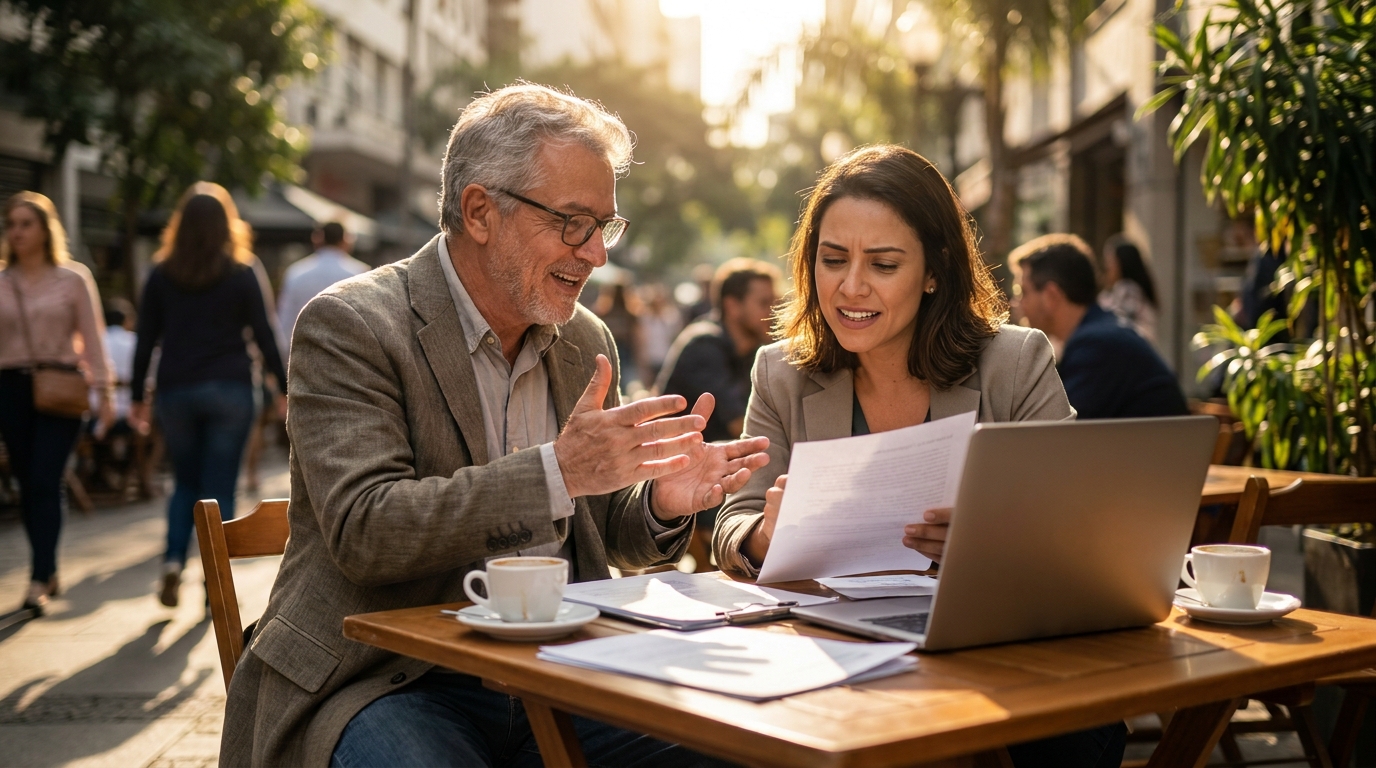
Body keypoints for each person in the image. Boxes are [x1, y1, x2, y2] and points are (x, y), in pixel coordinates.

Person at [220, 83, 769, 768]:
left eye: (606, 226)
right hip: (384, 679)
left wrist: (660, 502)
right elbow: (366, 531)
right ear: (480, 211)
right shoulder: (352, 324)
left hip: (562, 667)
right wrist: (556, 473)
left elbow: (612, 534)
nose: (596, 254)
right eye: (574, 222)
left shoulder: (584, 338)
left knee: (745, 742)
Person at [712, 146, 1123, 768]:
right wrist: (766, 536)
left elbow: (1082, 530)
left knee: (1080, 730)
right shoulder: (782, 371)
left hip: (992, 648)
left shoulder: (1014, 362)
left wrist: (988, 539)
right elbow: (732, 525)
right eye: (832, 260)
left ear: (934, 270)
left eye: (882, 264)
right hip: (833, 650)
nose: (851, 287)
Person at [128, 182, 288, 608]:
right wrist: (284, 389)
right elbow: (265, 333)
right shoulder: (242, 269)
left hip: (176, 389)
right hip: (231, 389)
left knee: (184, 483)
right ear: (226, 224)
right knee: (220, 487)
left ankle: (173, 561)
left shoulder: (161, 273)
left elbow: (145, 340)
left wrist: (136, 397)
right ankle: (212, 580)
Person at [0, 191, 114, 613]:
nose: (17, 231)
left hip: (60, 387)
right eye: (11, 223)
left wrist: (103, 391)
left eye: (26, 223)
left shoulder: (73, 278)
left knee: (47, 479)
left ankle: (37, 576)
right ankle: (45, 569)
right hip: (10, 387)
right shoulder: (2, 281)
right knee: (28, 484)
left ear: (45, 229)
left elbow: (93, 338)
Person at [1013, 234, 1188, 420]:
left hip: (1161, 448)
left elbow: (1057, 430)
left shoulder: (1096, 345)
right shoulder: (1100, 333)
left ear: (1051, 296)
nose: (1016, 303)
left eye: (1022, 292)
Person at [656, 258, 781, 443]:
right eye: (764, 303)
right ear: (733, 306)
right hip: (675, 464)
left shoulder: (751, 351)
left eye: (775, 303)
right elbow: (740, 424)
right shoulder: (704, 347)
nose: (774, 312)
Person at [275, 221, 369, 350]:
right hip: (347, 354)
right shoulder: (360, 274)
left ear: (318, 239)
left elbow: (284, 321)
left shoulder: (296, 272)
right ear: (345, 240)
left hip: (304, 352)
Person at [1097, 235, 1159, 342]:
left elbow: (1119, 326)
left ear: (1121, 263)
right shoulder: (1131, 290)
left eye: (1110, 261)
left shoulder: (1128, 290)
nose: (1107, 266)